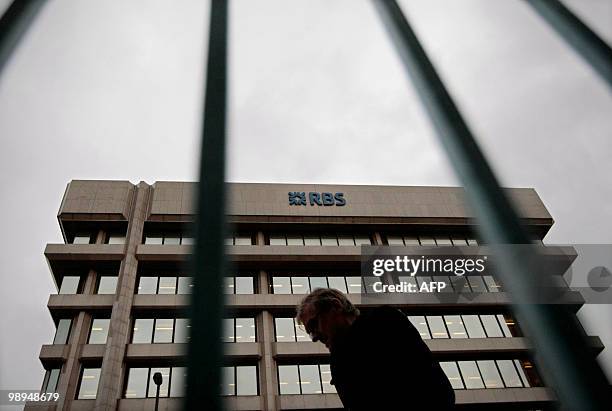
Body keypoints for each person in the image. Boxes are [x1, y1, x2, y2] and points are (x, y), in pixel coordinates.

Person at [296, 288, 455, 410]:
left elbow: (435, 388)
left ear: (335, 306)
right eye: (310, 333)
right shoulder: (338, 361)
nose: (315, 337)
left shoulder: (384, 320)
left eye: (313, 325)